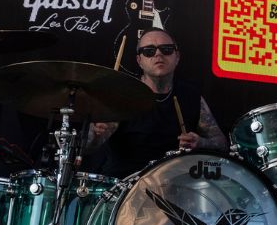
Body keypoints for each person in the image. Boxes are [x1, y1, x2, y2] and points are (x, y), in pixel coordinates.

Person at [87, 28, 229, 177]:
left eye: (166, 49)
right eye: (149, 51)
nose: (158, 54)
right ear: (139, 61)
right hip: (126, 187)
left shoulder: (190, 96)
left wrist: (200, 143)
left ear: (177, 57)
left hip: (174, 185)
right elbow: (88, 147)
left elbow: (222, 144)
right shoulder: (122, 95)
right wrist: (95, 134)